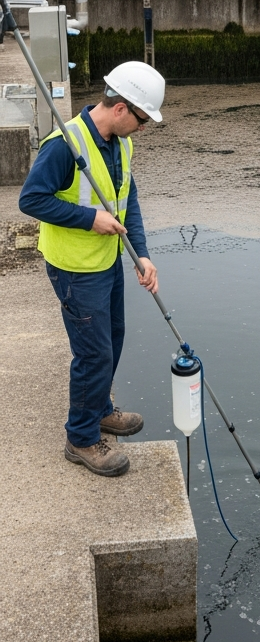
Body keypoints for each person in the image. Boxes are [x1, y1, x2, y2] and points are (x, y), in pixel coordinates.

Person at [19, 61, 165, 478]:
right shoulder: (64, 145)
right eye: (141, 120)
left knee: (113, 339)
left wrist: (143, 254)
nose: (142, 129)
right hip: (73, 268)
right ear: (120, 108)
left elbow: (127, 200)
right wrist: (89, 219)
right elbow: (30, 199)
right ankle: (81, 438)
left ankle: (99, 409)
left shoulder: (122, 144)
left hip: (107, 262)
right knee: (93, 352)